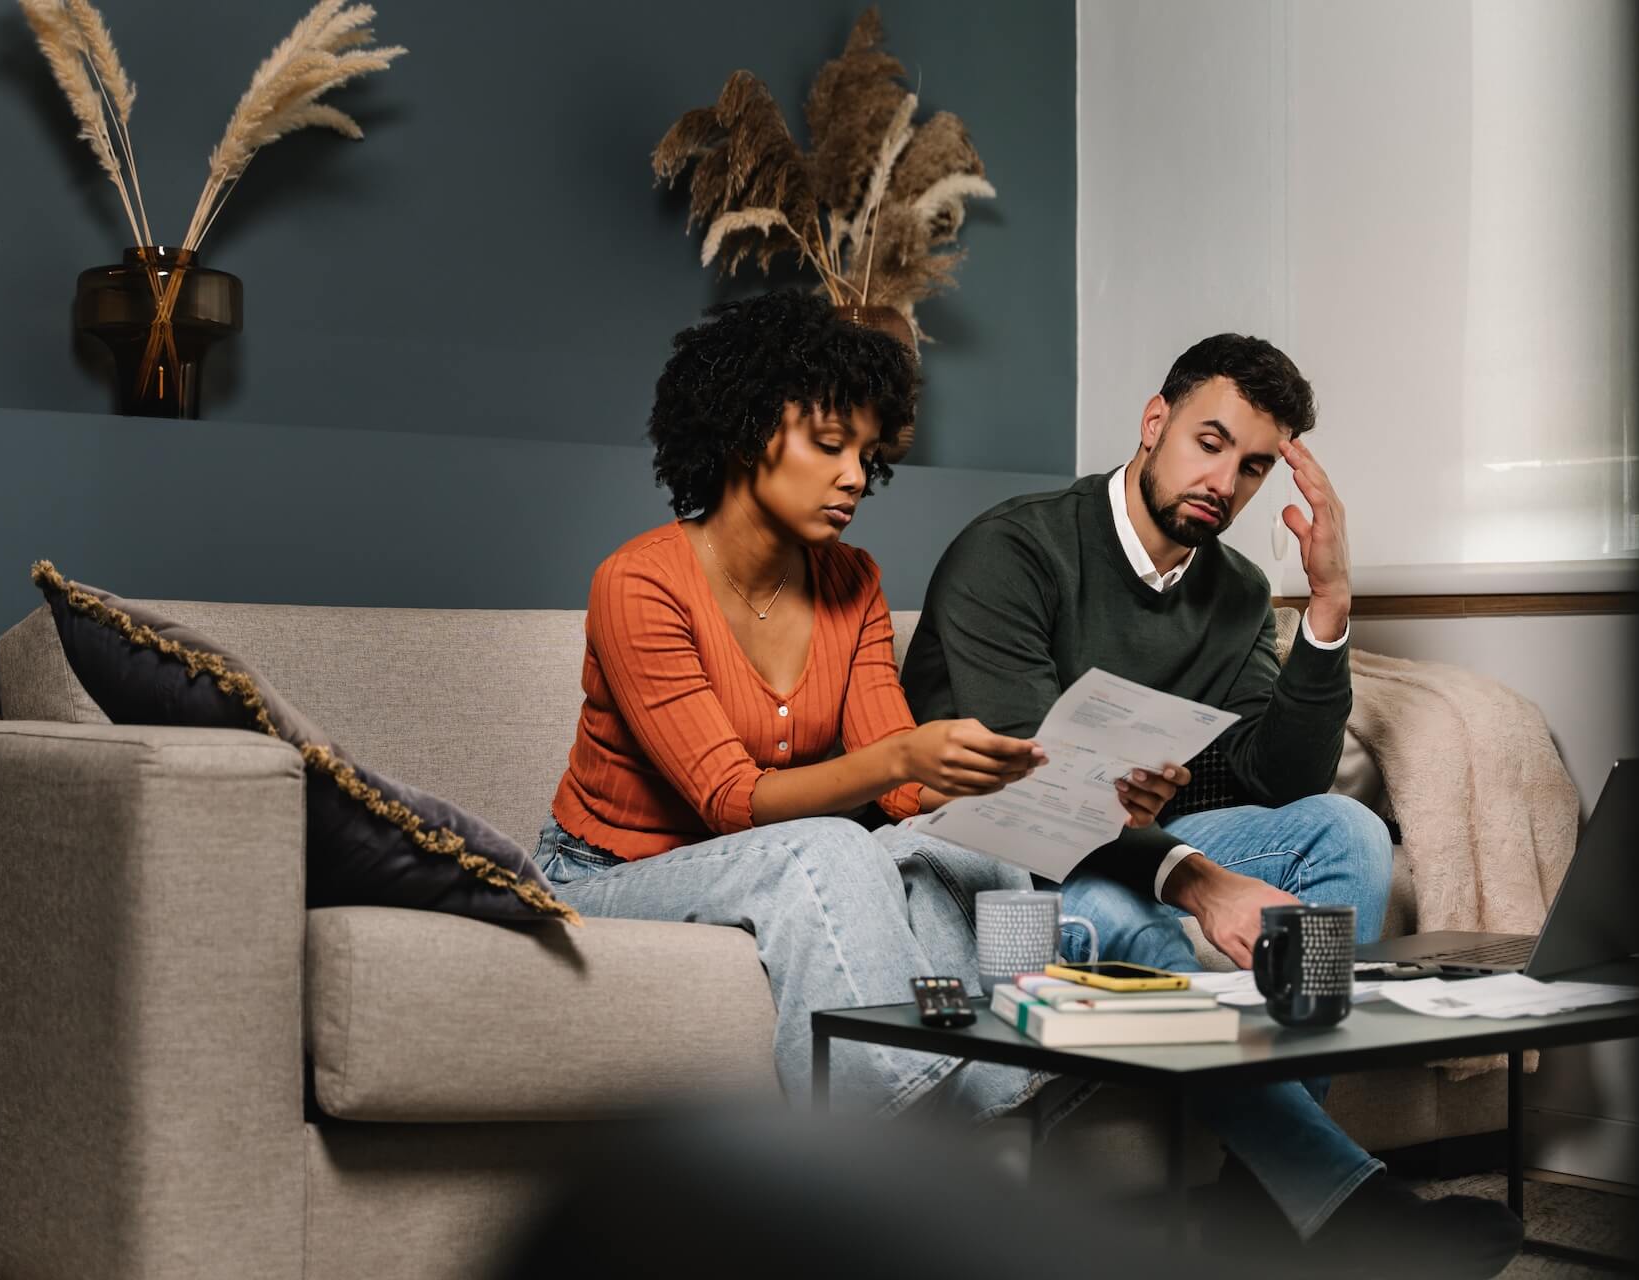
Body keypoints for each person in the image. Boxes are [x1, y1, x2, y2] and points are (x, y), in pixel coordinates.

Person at [900, 334, 1522, 1276]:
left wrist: (1327, 602)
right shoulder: (1015, 548)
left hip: (1139, 831)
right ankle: (1337, 1200)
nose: (1224, 481)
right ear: (1155, 424)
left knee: (1346, 828)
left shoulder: (1231, 589)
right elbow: (1036, 792)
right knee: (1118, 908)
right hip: (1004, 851)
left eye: (1254, 466)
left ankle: (1260, 1203)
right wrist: (1192, 879)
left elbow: (1284, 779)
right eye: (1209, 442)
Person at [537, 290, 1074, 1126]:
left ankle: (1010, 1101)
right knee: (830, 849)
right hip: (609, 874)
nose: (856, 475)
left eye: (866, 452)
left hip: (761, 856)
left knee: (970, 859)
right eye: (830, 445)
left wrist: (1034, 786)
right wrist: (903, 758)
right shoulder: (638, 582)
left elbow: (903, 790)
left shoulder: (852, 581)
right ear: (748, 429)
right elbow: (731, 802)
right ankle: (877, 1153)